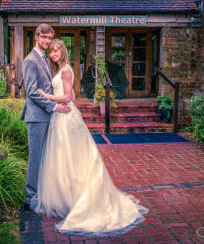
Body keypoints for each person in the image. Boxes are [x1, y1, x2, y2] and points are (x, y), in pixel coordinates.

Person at [31, 38, 149, 237]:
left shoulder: (66, 69)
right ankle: (67, 199)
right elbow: (74, 96)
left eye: (56, 51)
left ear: (63, 52)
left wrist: (46, 95)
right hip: (59, 116)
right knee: (62, 160)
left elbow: (68, 97)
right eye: (51, 51)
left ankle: (79, 200)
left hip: (67, 119)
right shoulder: (59, 69)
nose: (53, 54)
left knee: (71, 158)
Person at [21, 24, 71, 211]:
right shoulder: (30, 60)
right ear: (36, 37)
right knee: (36, 157)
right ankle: (30, 198)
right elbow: (32, 92)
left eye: (50, 38)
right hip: (36, 117)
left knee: (45, 157)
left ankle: (41, 192)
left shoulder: (43, 58)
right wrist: (54, 106)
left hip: (46, 116)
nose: (47, 41)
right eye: (44, 37)